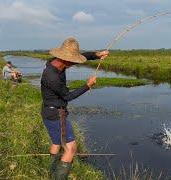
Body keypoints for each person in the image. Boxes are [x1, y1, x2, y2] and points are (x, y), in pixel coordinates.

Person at [40, 37, 109, 179]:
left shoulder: (54, 63)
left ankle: (50, 172)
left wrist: (97, 55)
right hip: (56, 114)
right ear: (65, 59)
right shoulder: (52, 77)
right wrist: (87, 85)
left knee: (56, 143)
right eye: (72, 61)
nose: (73, 64)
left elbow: (83, 56)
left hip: (48, 111)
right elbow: (67, 96)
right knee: (71, 149)